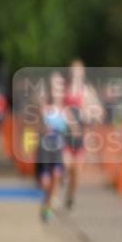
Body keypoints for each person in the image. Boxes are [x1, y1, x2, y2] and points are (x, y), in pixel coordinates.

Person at [62, 60, 101, 210]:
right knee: (65, 163)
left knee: (76, 173)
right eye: (72, 71)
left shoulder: (87, 91)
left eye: (77, 72)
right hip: (64, 136)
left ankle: (70, 197)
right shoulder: (63, 89)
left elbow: (98, 112)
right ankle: (61, 177)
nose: (74, 75)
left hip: (80, 137)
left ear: (82, 74)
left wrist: (89, 114)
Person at [36, 72, 68, 222]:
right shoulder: (42, 106)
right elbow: (34, 126)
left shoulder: (65, 108)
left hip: (58, 150)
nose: (57, 89)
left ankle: (48, 207)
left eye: (59, 85)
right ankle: (46, 201)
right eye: (54, 85)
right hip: (43, 151)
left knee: (56, 176)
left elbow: (70, 128)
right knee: (45, 183)